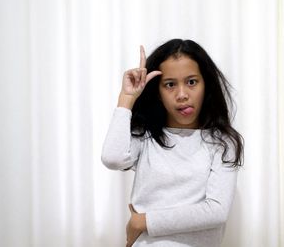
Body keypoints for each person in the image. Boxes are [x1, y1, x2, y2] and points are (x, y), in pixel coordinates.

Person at [101, 39, 244, 247]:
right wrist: (126, 98)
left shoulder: (222, 142)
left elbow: (216, 211)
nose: (182, 95)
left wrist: (145, 221)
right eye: (170, 85)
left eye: (192, 82)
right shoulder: (145, 135)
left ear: (207, 84)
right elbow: (112, 159)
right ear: (157, 92)